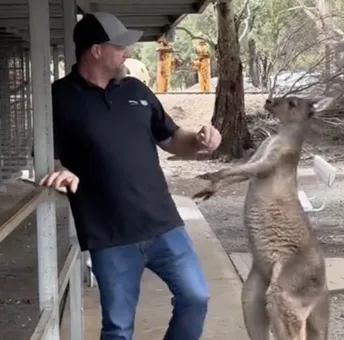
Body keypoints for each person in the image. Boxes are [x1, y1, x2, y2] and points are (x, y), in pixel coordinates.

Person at [38, 12, 222, 340]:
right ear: (96, 50)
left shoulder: (136, 90)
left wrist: (199, 141)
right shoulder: (59, 98)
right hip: (110, 235)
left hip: (163, 224)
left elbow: (171, 138)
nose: (128, 52)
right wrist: (59, 169)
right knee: (118, 329)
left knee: (197, 297)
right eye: (120, 46)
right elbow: (43, 155)